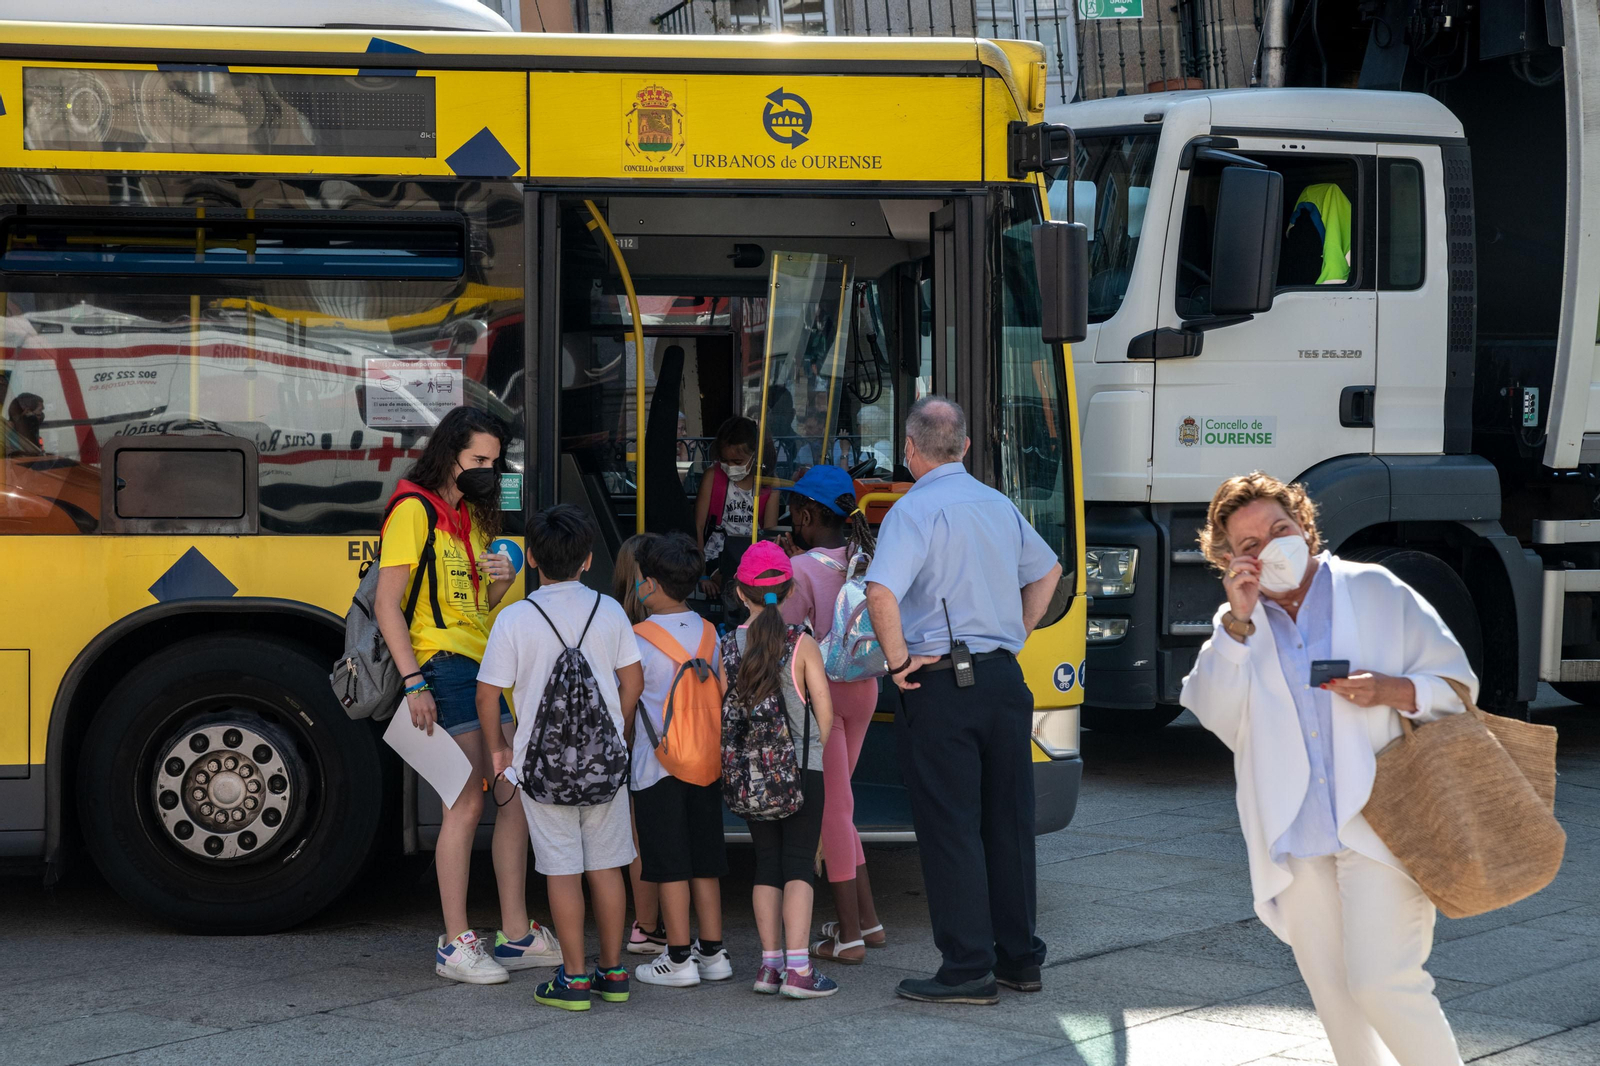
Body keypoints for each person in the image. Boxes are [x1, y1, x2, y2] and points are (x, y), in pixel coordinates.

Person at [1181, 472, 1471, 1066]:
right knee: (1336, 1000)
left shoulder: (1374, 590)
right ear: (1231, 561)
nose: (1269, 548)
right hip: (1300, 836)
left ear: (1306, 529)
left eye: (1279, 530)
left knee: (1383, 981)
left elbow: (1459, 685)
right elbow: (1212, 712)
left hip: (1381, 822)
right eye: (1249, 545)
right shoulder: (1239, 623)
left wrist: (1395, 689)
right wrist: (1235, 625)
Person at [864, 396, 1062, 1005]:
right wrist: (1019, 634)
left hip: (943, 682)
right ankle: (1019, 958)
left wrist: (898, 665)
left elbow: (880, 593)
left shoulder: (912, 511)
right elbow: (1049, 571)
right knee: (1009, 823)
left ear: (909, 449)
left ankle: (966, 968)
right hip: (1004, 680)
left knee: (951, 826)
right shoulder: (998, 505)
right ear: (968, 447)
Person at [373, 405, 557, 986]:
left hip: (484, 664)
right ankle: (455, 942)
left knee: (511, 794)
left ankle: (516, 933)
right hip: (441, 665)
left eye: (495, 462)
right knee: (468, 799)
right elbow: (387, 605)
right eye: (478, 459)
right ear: (449, 451)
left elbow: (478, 607)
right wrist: (413, 680)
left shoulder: (474, 518)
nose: (486, 469)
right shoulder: (413, 511)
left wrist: (500, 580)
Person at [478, 504, 644, 1012]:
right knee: (608, 867)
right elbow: (632, 682)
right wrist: (617, 731)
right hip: (605, 767)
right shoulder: (610, 611)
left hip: (541, 768)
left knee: (562, 871)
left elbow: (488, 695)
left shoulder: (515, 617)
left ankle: (572, 980)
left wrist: (500, 751)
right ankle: (613, 973)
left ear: (530, 558)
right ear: (589, 559)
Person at [776, 465, 886, 964]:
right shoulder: (864, 558)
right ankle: (869, 921)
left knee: (831, 812)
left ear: (804, 514)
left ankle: (849, 939)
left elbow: (784, 637)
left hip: (823, 699)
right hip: (865, 690)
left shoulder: (799, 571)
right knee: (842, 805)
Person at [722, 541, 837, 999]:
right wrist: (807, 758)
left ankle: (768, 968)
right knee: (798, 866)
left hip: (750, 774)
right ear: (789, 590)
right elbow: (824, 714)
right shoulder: (801, 644)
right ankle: (799, 970)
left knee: (766, 864)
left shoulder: (726, 645)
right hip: (802, 770)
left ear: (738, 592)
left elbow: (722, 713)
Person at [629, 533, 734, 987]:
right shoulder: (710, 633)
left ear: (649, 584)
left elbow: (628, 700)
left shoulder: (638, 638)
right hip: (706, 763)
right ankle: (713, 953)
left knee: (669, 864)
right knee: (705, 860)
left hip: (658, 767)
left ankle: (677, 958)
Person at [612, 533, 666, 958]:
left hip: (623, 741)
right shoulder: (659, 628)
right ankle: (647, 927)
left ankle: (645, 924)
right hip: (660, 749)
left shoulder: (615, 623)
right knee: (654, 836)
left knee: (635, 838)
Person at [694, 415, 780, 592]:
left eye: (737, 462)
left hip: (753, 558)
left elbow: (770, 533)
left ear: (755, 456)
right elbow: (698, 526)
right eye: (725, 461)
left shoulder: (769, 484)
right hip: (715, 558)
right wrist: (701, 574)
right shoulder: (712, 477)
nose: (730, 466)